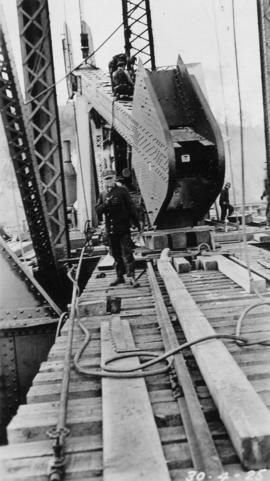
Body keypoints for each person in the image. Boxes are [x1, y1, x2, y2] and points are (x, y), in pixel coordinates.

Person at [96, 168, 141, 286]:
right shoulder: (103, 194)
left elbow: (131, 207)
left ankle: (132, 277)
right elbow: (97, 210)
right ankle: (119, 276)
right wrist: (106, 204)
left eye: (110, 178)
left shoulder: (122, 191)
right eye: (106, 179)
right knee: (115, 254)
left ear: (114, 178)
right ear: (103, 180)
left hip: (123, 228)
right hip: (111, 229)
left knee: (127, 253)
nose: (108, 181)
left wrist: (137, 223)